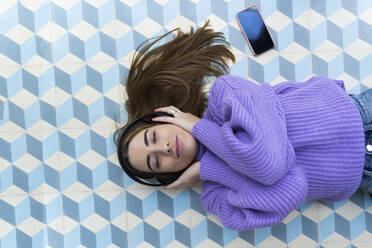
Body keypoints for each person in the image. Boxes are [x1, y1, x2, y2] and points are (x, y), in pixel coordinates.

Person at [114, 20, 372, 231]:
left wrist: (201, 129)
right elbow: (290, 190)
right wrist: (208, 169)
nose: (164, 149)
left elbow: (270, 164)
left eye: (154, 137)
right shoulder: (218, 199)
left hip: (362, 116)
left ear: (164, 116)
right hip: (364, 175)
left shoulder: (226, 97)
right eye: (155, 162)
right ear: (169, 176)